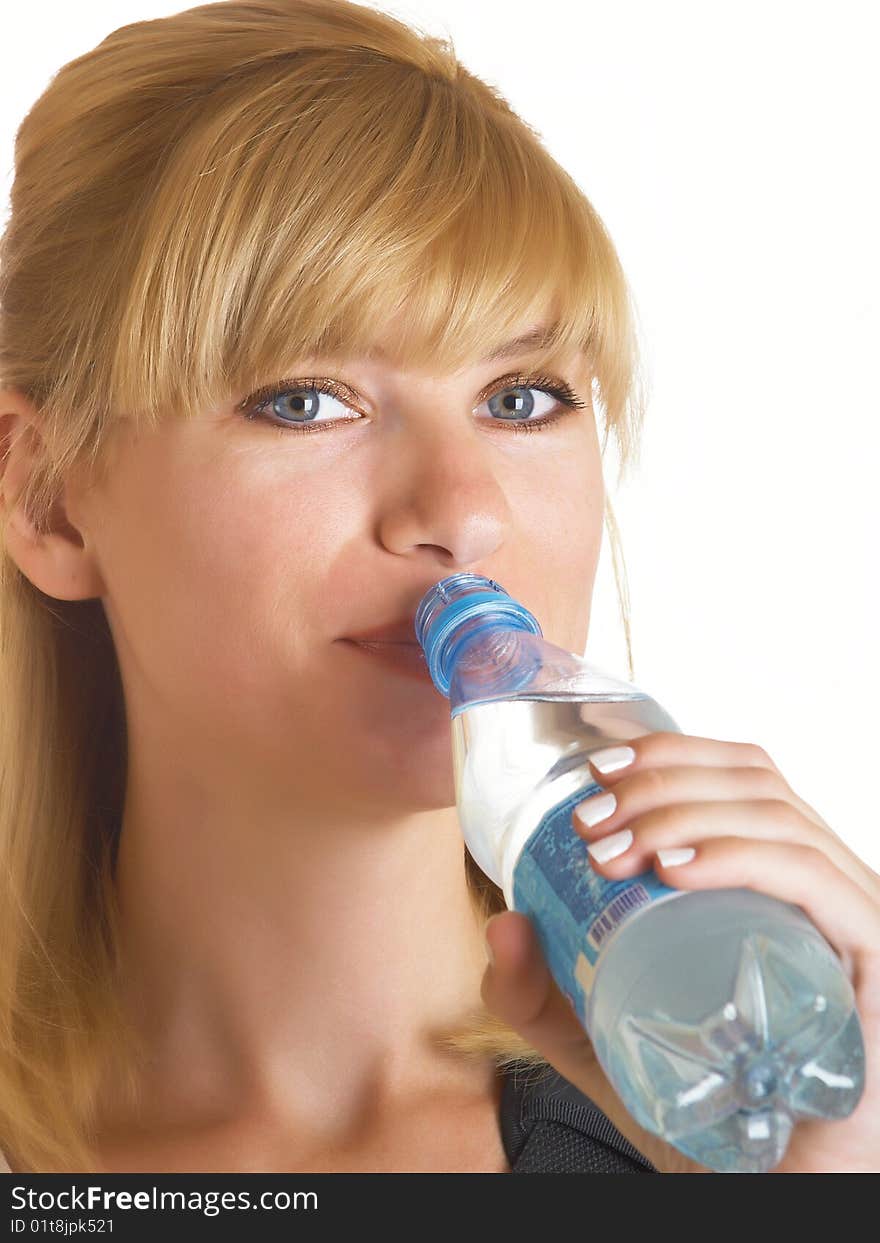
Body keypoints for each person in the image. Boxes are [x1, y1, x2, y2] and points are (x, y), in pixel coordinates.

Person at [0, 0, 877, 1175]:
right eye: (304, 399)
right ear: (51, 501)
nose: (462, 512)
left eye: (522, 398)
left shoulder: (754, 1126)